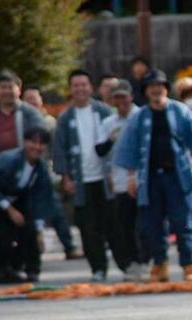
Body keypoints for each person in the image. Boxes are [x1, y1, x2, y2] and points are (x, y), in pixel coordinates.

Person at [115, 69, 192, 283]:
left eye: (160, 86)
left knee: (183, 222)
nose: (156, 90)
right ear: (146, 91)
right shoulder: (139, 117)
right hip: (150, 178)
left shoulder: (180, 111)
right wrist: (131, 177)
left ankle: (189, 265)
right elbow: (129, 147)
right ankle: (160, 265)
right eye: (152, 87)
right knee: (153, 224)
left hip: (177, 175)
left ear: (166, 89)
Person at [54, 69, 128, 282]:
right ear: (70, 89)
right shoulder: (65, 117)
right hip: (81, 180)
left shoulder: (104, 111)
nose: (80, 89)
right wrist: (65, 177)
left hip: (105, 179)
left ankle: (126, 265)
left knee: (114, 224)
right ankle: (98, 268)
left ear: (91, 87)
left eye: (83, 84)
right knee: (88, 228)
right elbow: (60, 150)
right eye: (75, 85)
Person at [0, 128, 54, 283]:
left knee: (30, 232)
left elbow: (41, 198)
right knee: (4, 240)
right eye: (33, 142)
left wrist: (40, 229)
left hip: (20, 203)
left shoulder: (40, 168)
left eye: (42, 144)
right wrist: (9, 209)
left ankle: (30, 270)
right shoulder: (8, 160)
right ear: (25, 142)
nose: (37, 147)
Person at [21, 84, 81, 260]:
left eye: (34, 98)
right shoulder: (21, 120)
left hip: (45, 171)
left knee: (56, 210)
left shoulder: (50, 122)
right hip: (23, 171)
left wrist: (59, 171)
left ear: (41, 101)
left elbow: (57, 148)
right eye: (28, 99)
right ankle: (31, 251)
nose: (32, 102)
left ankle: (69, 245)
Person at [96, 79, 145, 282]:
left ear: (131, 96)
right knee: (125, 224)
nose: (121, 101)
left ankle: (149, 260)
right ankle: (132, 263)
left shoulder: (142, 116)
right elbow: (100, 151)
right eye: (117, 97)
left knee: (144, 223)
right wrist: (111, 139)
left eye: (124, 96)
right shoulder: (108, 123)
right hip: (119, 179)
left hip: (142, 178)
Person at [0, 71, 45, 158]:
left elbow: (38, 140)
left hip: (24, 163)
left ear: (19, 90)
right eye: (3, 87)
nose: (7, 91)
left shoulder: (31, 113)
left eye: (10, 87)